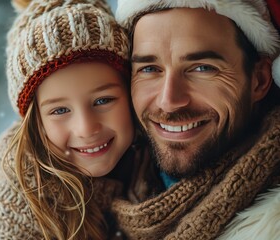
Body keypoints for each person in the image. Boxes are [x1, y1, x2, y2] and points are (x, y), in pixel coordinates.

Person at [110, 0, 280, 239]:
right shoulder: (103, 186)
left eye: (202, 68)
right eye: (149, 69)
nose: (168, 101)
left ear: (260, 80)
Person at [0, 0, 136, 239]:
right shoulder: (11, 209)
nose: (86, 128)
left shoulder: (150, 166)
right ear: (35, 121)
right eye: (59, 111)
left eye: (102, 101)